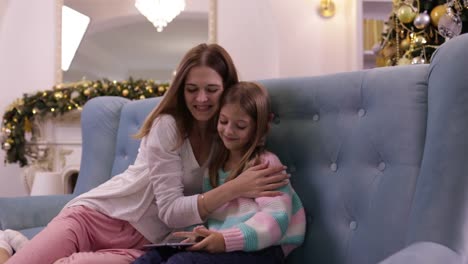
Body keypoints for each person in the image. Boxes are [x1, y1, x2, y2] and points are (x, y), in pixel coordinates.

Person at [0, 44, 290, 264]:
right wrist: (235, 187)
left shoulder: (227, 136)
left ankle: (16, 244)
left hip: (144, 243)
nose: (201, 99)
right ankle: (11, 247)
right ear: (181, 90)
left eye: (212, 89)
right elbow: (170, 210)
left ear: (227, 89)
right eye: (191, 89)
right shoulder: (167, 126)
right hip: (96, 217)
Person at [133, 82, 306, 264]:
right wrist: (196, 235)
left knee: (182, 262)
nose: (229, 131)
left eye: (240, 126)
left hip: (266, 249)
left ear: (259, 129)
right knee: (152, 257)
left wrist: (225, 240)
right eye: (223, 121)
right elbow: (213, 218)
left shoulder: (265, 165)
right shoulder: (215, 168)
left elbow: (276, 220)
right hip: (225, 245)